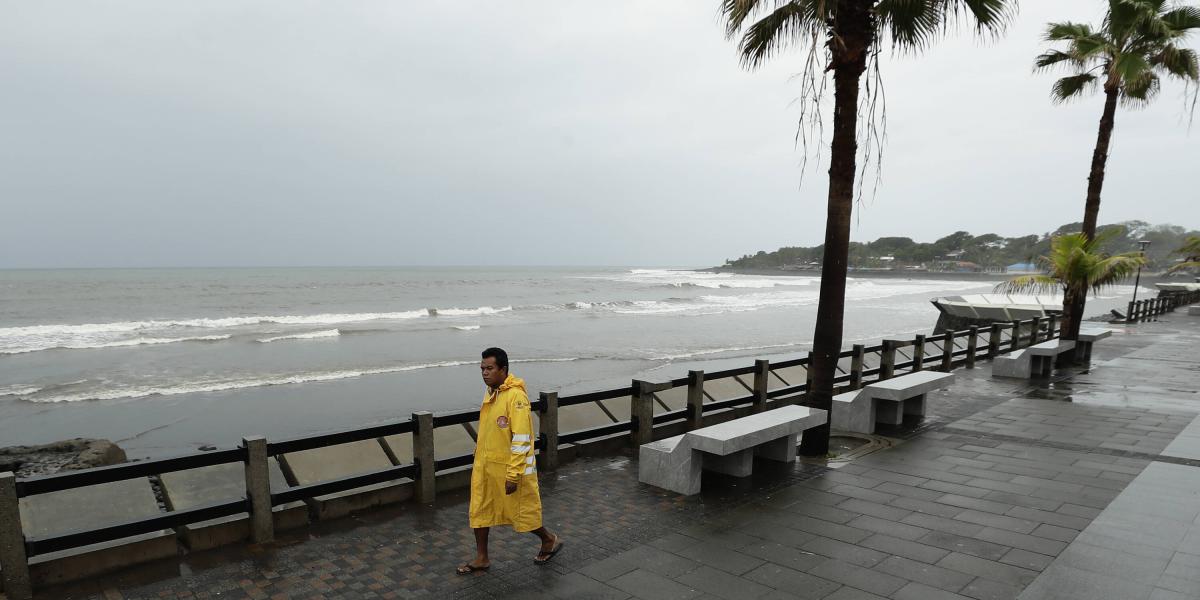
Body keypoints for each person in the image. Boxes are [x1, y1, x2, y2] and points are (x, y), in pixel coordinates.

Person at [457, 347, 562, 574]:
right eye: (482, 368)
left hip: (508, 468)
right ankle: (482, 558)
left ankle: (549, 539)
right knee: (479, 510)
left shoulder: (516, 397)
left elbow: (523, 438)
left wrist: (513, 473)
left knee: (521, 512)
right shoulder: (491, 393)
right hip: (485, 466)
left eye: (490, 368)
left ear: (503, 369)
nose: (484, 373)